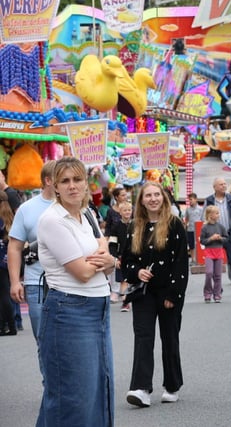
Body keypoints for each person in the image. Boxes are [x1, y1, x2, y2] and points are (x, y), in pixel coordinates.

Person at [36, 156, 117, 426]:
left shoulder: (88, 214)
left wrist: (107, 261)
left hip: (98, 308)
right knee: (72, 397)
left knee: (98, 389)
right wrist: (104, 261)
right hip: (68, 311)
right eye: (65, 181)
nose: (72, 186)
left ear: (86, 182)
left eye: (77, 179)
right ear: (54, 185)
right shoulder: (52, 220)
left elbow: (104, 255)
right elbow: (81, 272)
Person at [121, 181, 189, 407]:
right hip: (143, 293)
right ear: (141, 200)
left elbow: (181, 264)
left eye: (156, 195)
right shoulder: (133, 227)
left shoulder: (175, 224)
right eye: (147, 195)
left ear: (163, 198)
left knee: (169, 338)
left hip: (168, 292)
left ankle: (172, 385)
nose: (152, 199)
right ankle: (141, 388)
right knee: (143, 338)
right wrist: (136, 271)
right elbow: (126, 262)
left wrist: (174, 294)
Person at [8, 160, 57, 341]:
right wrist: (15, 282)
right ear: (48, 180)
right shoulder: (26, 209)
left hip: (70, 281)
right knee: (43, 339)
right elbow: (14, 247)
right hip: (36, 282)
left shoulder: (74, 207)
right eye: (62, 177)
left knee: (66, 341)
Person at [204, 177, 231, 296]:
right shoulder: (209, 200)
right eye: (221, 184)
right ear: (215, 187)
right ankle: (217, 288)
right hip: (214, 237)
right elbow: (204, 219)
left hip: (230, 234)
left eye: (224, 184)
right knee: (215, 263)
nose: (224, 186)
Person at [199, 205, 227, 303]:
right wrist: (211, 239)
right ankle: (207, 293)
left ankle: (217, 294)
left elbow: (226, 238)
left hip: (219, 252)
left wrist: (220, 238)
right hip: (209, 252)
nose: (218, 215)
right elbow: (202, 241)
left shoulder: (221, 227)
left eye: (218, 213)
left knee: (218, 275)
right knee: (209, 273)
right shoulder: (205, 227)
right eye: (216, 213)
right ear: (210, 215)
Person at [108, 201, 133, 308]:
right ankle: (125, 301)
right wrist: (115, 258)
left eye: (129, 210)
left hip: (134, 256)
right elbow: (112, 244)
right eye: (125, 210)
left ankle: (129, 298)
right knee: (123, 280)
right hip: (121, 257)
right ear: (120, 212)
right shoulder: (116, 227)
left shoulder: (136, 225)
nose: (127, 212)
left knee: (132, 280)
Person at [0, 191, 16, 335]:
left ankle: (6, 326)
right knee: (5, 293)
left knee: (3, 295)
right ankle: (12, 325)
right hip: (7, 259)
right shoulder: (9, 217)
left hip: (1, 259)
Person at [183, 192, 204, 257]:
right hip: (190, 229)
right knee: (191, 245)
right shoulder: (188, 209)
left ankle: (200, 258)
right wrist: (185, 227)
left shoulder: (201, 209)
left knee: (200, 245)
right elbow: (186, 219)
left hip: (199, 229)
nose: (190, 201)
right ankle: (193, 259)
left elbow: (203, 219)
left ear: (196, 199)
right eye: (189, 200)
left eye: (191, 199)